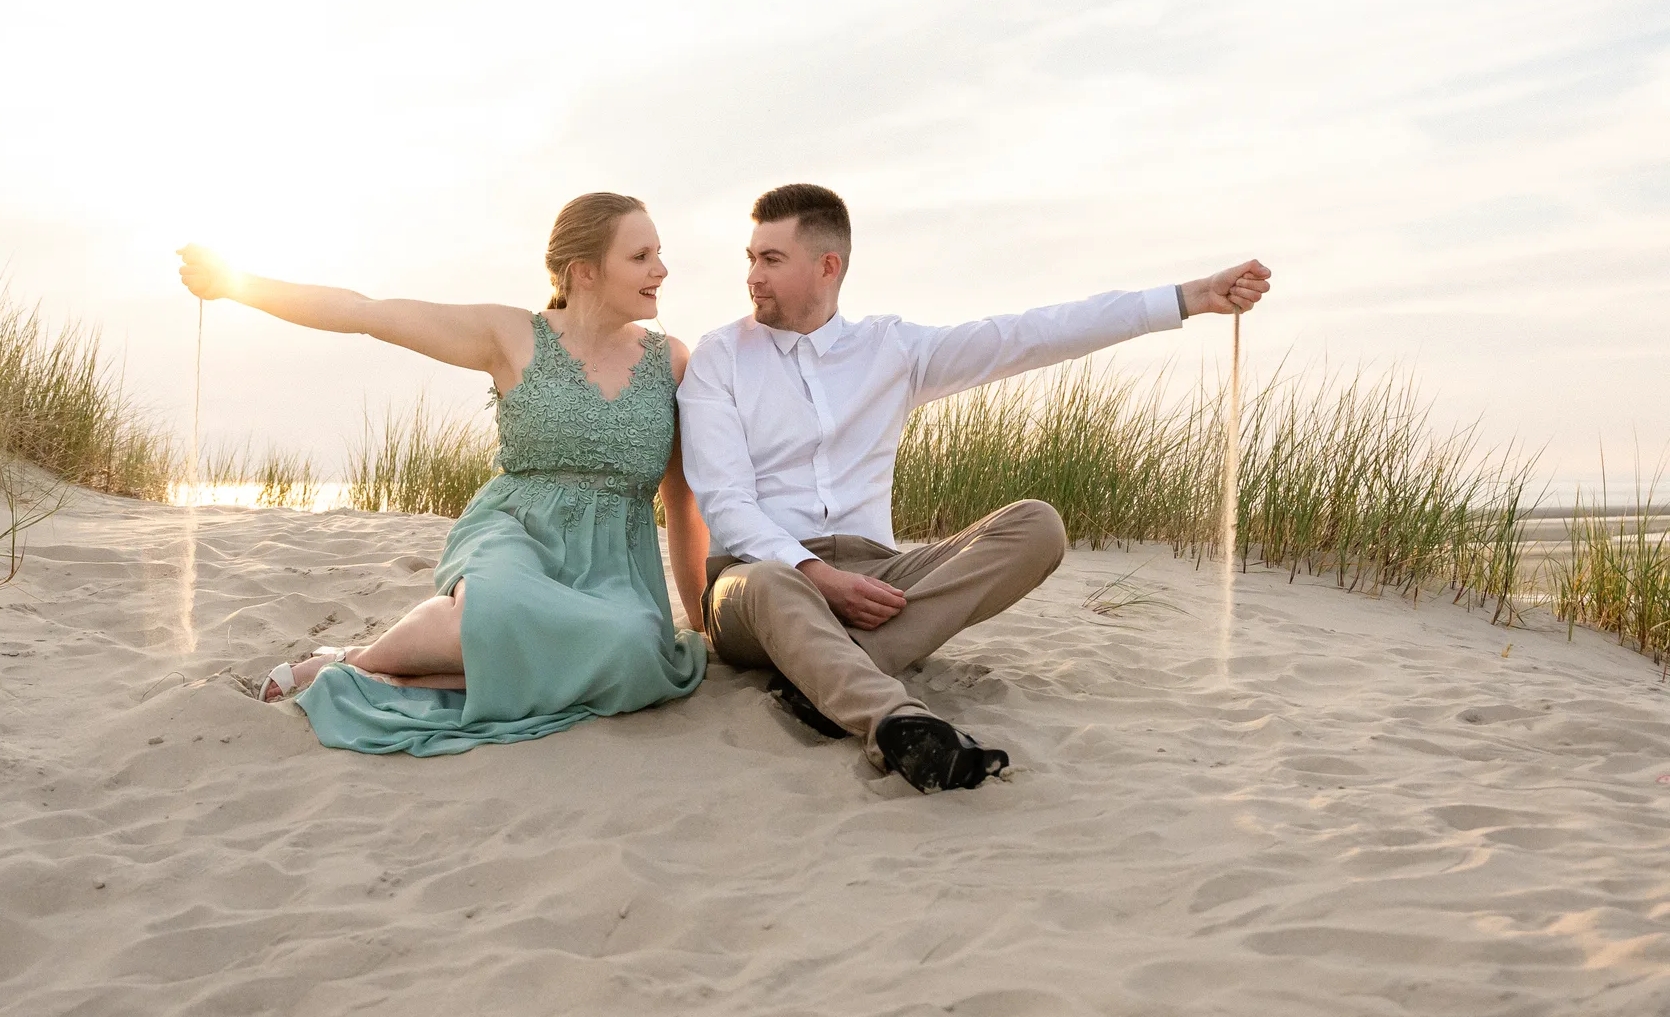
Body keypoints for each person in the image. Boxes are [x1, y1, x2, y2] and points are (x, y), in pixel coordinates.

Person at [678, 184, 1270, 794]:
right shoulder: (720, 357)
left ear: (827, 266)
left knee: (1037, 524)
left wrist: (1189, 298)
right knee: (779, 578)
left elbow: (1029, 333)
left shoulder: (892, 348)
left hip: (878, 576)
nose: (753, 276)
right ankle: (894, 719)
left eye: (770, 259)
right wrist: (819, 576)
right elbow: (726, 504)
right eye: (751, 257)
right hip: (755, 586)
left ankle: (827, 675)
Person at [175, 193, 707, 756]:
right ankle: (356, 664)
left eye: (659, 253)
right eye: (641, 255)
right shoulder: (510, 335)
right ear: (585, 271)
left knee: (634, 647)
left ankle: (370, 670)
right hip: (515, 534)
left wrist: (698, 620)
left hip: (612, 568)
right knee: (497, 607)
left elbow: (681, 500)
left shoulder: (670, 361)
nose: (661, 269)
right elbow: (366, 312)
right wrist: (235, 283)